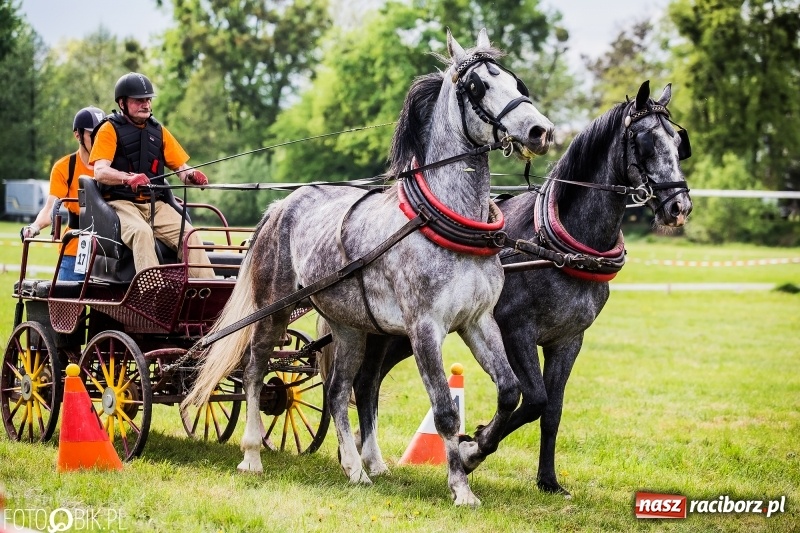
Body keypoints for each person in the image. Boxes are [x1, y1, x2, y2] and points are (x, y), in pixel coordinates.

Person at [89, 72, 214, 279]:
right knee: (142, 233)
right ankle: (153, 293)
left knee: (189, 236)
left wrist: (192, 175)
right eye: (139, 100)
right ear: (122, 103)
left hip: (156, 204)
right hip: (121, 204)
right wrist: (128, 178)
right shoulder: (109, 129)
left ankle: (207, 294)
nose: (146, 104)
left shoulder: (159, 131)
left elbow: (181, 169)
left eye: (148, 99)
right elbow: (100, 171)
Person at [21, 106, 106, 281]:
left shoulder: (112, 167)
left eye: (102, 134)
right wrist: (33, 228)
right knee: (68, 307)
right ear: (78, 135)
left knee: (108, 308)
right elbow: (50, 208)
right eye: (93, 135)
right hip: (75, 251)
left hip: (108, 253)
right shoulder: (64, 167)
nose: (99, 140)